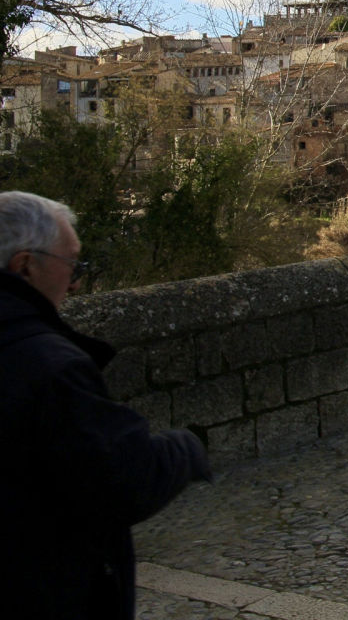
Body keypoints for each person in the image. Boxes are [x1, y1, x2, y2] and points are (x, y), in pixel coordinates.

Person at [0, 191, 212, 619]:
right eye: (71, 264)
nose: (76, 281)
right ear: (25, 267)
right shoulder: (49, 367)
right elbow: (126, 479)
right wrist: (187, 447)